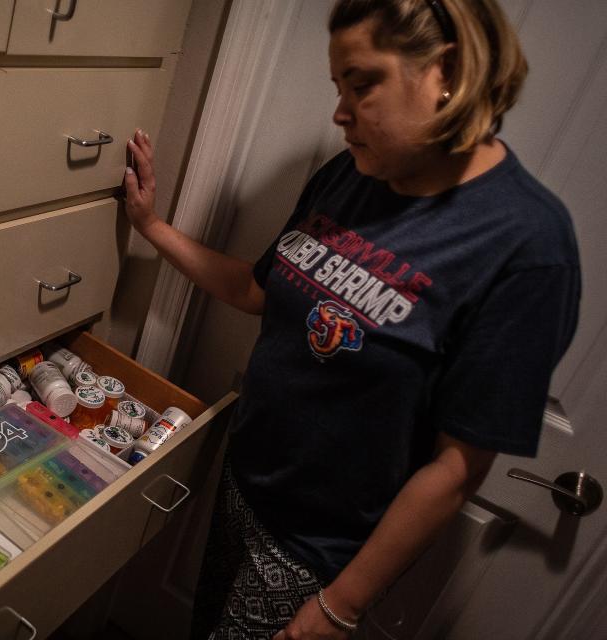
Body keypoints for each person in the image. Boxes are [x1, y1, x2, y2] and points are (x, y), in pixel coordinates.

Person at [122, 0, 580, 638]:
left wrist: (341, 606)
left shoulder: (527, 246)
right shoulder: (353, 170)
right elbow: (259, 289)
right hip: (245, 482)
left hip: (316, 552)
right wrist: (151, 226)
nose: (339, 113)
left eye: (362, 85)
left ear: (445, 71)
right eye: (338, 87)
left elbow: (458, 468)